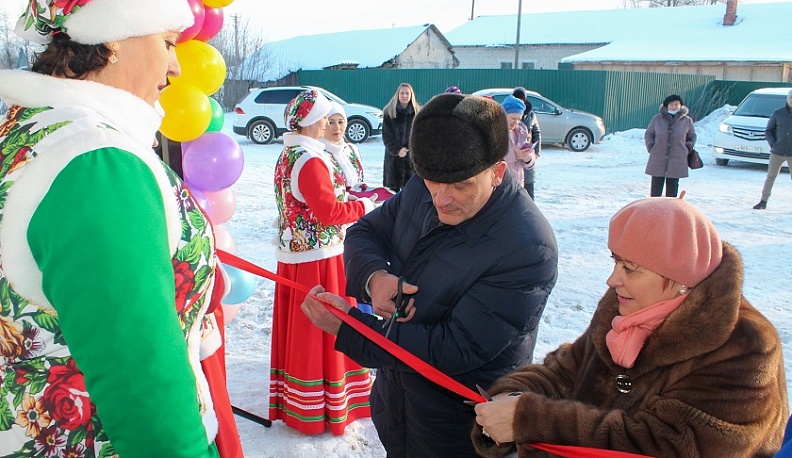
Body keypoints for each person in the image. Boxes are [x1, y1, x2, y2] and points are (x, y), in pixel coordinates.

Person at [0, 0, 243, 457]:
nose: (175, 68)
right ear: (111, 36)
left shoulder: (29, 129)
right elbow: (142, 381)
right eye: (168, 43)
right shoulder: (97, 163)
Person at [302, 93, 558, 457]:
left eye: (459, 186)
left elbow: (455, 349)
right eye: (433, 183)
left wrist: (352, 329)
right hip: (400, 404)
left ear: (497, 172)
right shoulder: (429, 183)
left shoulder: (527, 246)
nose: (441, 200)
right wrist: (375, 278)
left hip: (463, 426)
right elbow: (365, 233)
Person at [472, 197, 788, 457]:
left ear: (679, 278)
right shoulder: (624, 306)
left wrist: (530, 419)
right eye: (615, 261)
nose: (612, 279)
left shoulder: (746, 347)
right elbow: (570, 369)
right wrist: (513, 397)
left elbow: (670, 445)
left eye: (630, 268)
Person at [271, 89, 377, 435]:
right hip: (320, 257)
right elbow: (329, 213)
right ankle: (326, 402)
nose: (327, 123)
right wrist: (366, 207)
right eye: (322, 117)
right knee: (324, 324)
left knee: (303, 329)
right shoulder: (311, 159)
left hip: (297, 255)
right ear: (309, 121)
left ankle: (303, 401)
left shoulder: (289, 153)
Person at [319, 101, 393, 202]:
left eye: (340, 122)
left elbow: (359, 182)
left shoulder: (350, 149)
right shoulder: (319, 154)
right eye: (331, 122)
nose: (337, 127)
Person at [644, 94, 697, 197]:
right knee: (656, 186)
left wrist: (688, 147)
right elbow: (649, 133)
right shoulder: (657, 119)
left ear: (680, 105)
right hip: (658, 155)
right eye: (671, 104)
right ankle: (654, 209)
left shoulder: (687, 120)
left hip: (678, 157)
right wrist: (651, 146)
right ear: (666, 106)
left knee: (673, 187)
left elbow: (692, 135)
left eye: (676, 104)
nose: (674, 106)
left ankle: (670, 210)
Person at [753, 89, 792, 210]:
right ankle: (763, 201)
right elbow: (769, 130)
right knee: (771, 176)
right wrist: (773, 144)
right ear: (787, 99)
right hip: (777, 152)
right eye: (791, 98)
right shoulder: (778, 113)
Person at [382, 82, 419, 193]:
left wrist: (409, 149)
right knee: (392, 193)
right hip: (393, 159)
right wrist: (397, 150)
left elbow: (419, 134)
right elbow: (386, 135)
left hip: (410, 159)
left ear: (411, 95)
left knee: (410, 192)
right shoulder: (389, 112)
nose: (404, 96)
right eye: (402, 93)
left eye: (407, 93)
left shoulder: (417, 113)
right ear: (397, 94)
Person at [502, 95, 539, 199]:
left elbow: (530, 162)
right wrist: (515, 154)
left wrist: (528, 158)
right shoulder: (496, 131)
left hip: (518, 184)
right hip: (501, 185)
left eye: (519, 119)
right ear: (504, 114)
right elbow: (493, 156)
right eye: (513, 118)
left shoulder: (521, 131)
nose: (516, 122)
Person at [513, 88, 542, 197]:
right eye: (517, 99)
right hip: (514, 153)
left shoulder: (531, 115)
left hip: (527, 152)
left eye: (522, 100)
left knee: (528, 184)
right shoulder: (510, 113)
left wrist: (537, 151)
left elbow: (536, 132)